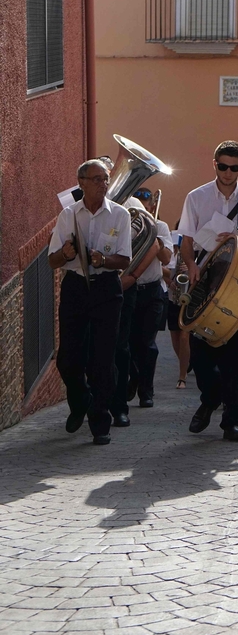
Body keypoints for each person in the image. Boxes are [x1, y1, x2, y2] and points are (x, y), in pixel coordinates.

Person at [178, 140, 238, 442]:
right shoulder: (196, 197)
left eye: (233, 167)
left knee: (236, 358)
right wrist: (190, 265)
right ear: (213, 163)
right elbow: (186, 240)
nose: (227, 172)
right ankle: (209, 398)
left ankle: (232, 420)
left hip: (236, 286)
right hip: (203, 279)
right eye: (222, 166)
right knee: (201, 357)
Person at [48, 159, 131, 445]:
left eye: (105, 179)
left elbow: (125, 259)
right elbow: (52, 260)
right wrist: (67, 254)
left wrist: (103, 260)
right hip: (75, 288)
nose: (103, 184)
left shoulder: (120, 214)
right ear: (81, 182)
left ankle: (100, 421)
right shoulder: (68, 215)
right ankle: (81, 399)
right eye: (97, 179)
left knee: (103, 358)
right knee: (68, 359)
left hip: (107, 288)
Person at [126, 188, 173, 409]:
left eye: (145, 206)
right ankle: (133, 378)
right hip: (129, 289)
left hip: (152, 291)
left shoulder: (160, 226)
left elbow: (166, 259)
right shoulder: (125, 226)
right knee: (125, 342)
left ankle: (146, 390)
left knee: (147, 343)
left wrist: (153, 236)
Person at [162, 229, 191, 389]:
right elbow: (161, 270)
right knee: (175, 337)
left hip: (189, 298)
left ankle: (182, 376)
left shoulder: (193, 250)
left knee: (185, 337)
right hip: (174, 297)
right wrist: (170, 280)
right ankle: (185, 363)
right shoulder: (171, 250)